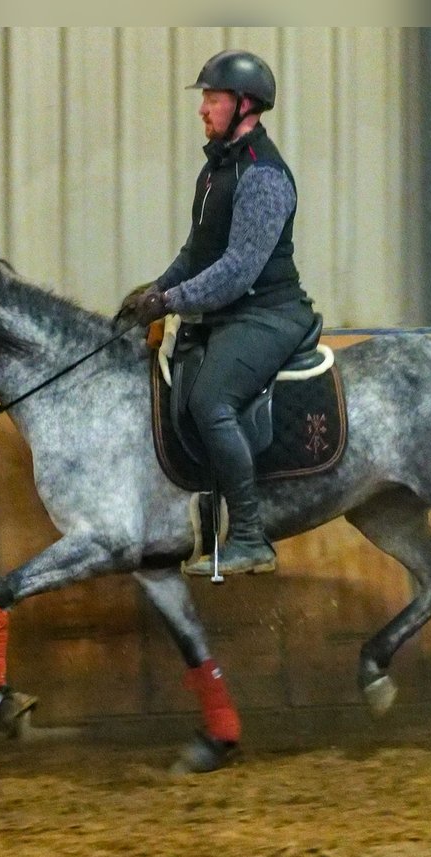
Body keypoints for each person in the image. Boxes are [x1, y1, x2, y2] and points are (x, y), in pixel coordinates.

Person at [123, 49, 319, 577]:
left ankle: (251, 537)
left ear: (245, 105)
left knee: (211, 400)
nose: (203, 109)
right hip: (229, 314)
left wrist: (172, 302)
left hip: (268, 314)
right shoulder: (216, 169)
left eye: (212, 99)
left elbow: (237, 269)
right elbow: (196, 252)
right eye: (205, 99)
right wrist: (154, 290)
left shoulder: (264, 176)